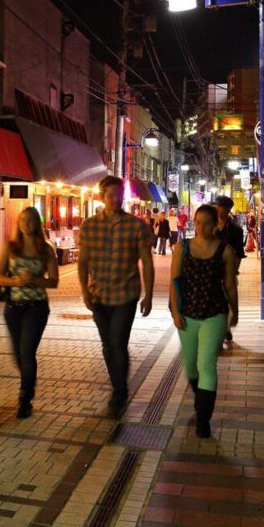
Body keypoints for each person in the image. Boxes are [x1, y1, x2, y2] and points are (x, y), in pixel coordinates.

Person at [78, 176, 154, 418]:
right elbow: (83, 261)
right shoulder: (89, 226)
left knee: (118, 342)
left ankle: (119, 392)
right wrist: (83, 290)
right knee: (108, 346)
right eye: (110, 195)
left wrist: (149, 295)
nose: (115, 199)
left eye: (119, 195)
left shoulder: (136, 225)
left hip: (125, 294)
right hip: (99, 295)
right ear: (102, 197)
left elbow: (147, 262)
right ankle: (118, 386)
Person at [169, 204, 239, 439]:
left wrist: (234, 311)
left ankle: (203, 419)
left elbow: (229, 285)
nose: (201, 227)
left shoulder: (225, 251)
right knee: (190, 365)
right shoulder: (183, 247)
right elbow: (174, 280)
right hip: (187, 312)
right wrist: (175, 312)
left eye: (206, 223)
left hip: (214, 313)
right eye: (197, 222)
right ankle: (202, 402)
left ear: (216, 224)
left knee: (206, 364)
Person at [0, 207, 60, 419]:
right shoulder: (10, 247)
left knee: (27, 351)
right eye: (23, 221)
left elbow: (54, 281)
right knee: (18, 355)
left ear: (37, 224)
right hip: (13, 307)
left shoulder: (46, 248)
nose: (27, 225)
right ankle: (28, 382)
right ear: (18, 223)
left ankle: (24, 398)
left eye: (31, 221)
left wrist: (35, 280)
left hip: (36, 307)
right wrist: (15, 281)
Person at [212, 196, 245, 346]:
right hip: (209, 272)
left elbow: (239, 253)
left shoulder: (235, 230)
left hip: (227, 272)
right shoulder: (208, 226)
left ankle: (224, 328)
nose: (216, 209)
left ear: (227, 209)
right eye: (216, 206)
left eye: (219, 206)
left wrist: (234, 271)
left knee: (226, 302)